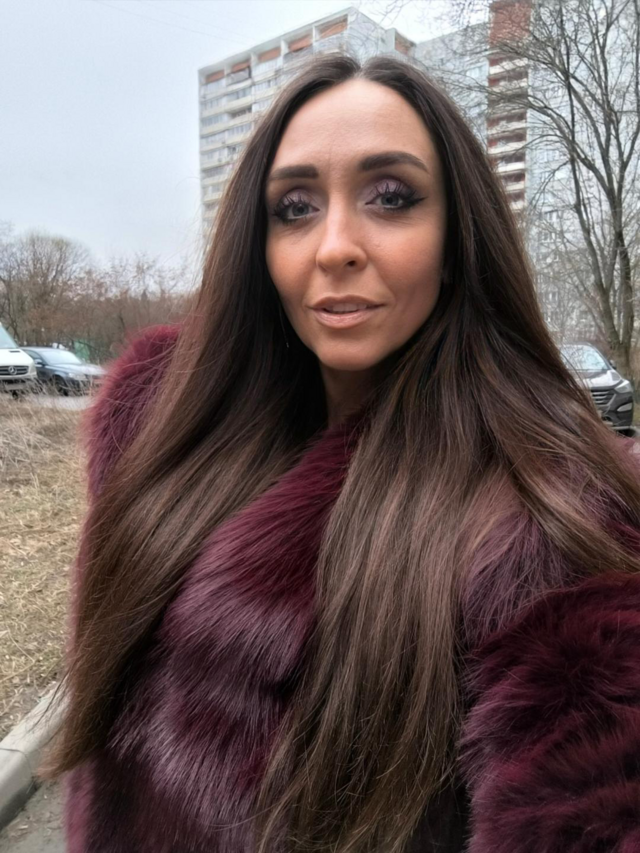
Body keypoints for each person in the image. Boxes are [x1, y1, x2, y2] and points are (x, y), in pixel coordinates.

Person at [38, 52, 640, 852]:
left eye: (391, 197)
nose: (334, 247)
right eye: (294, 207)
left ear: (456, 238)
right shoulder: (162, 433)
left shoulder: (546, 520)